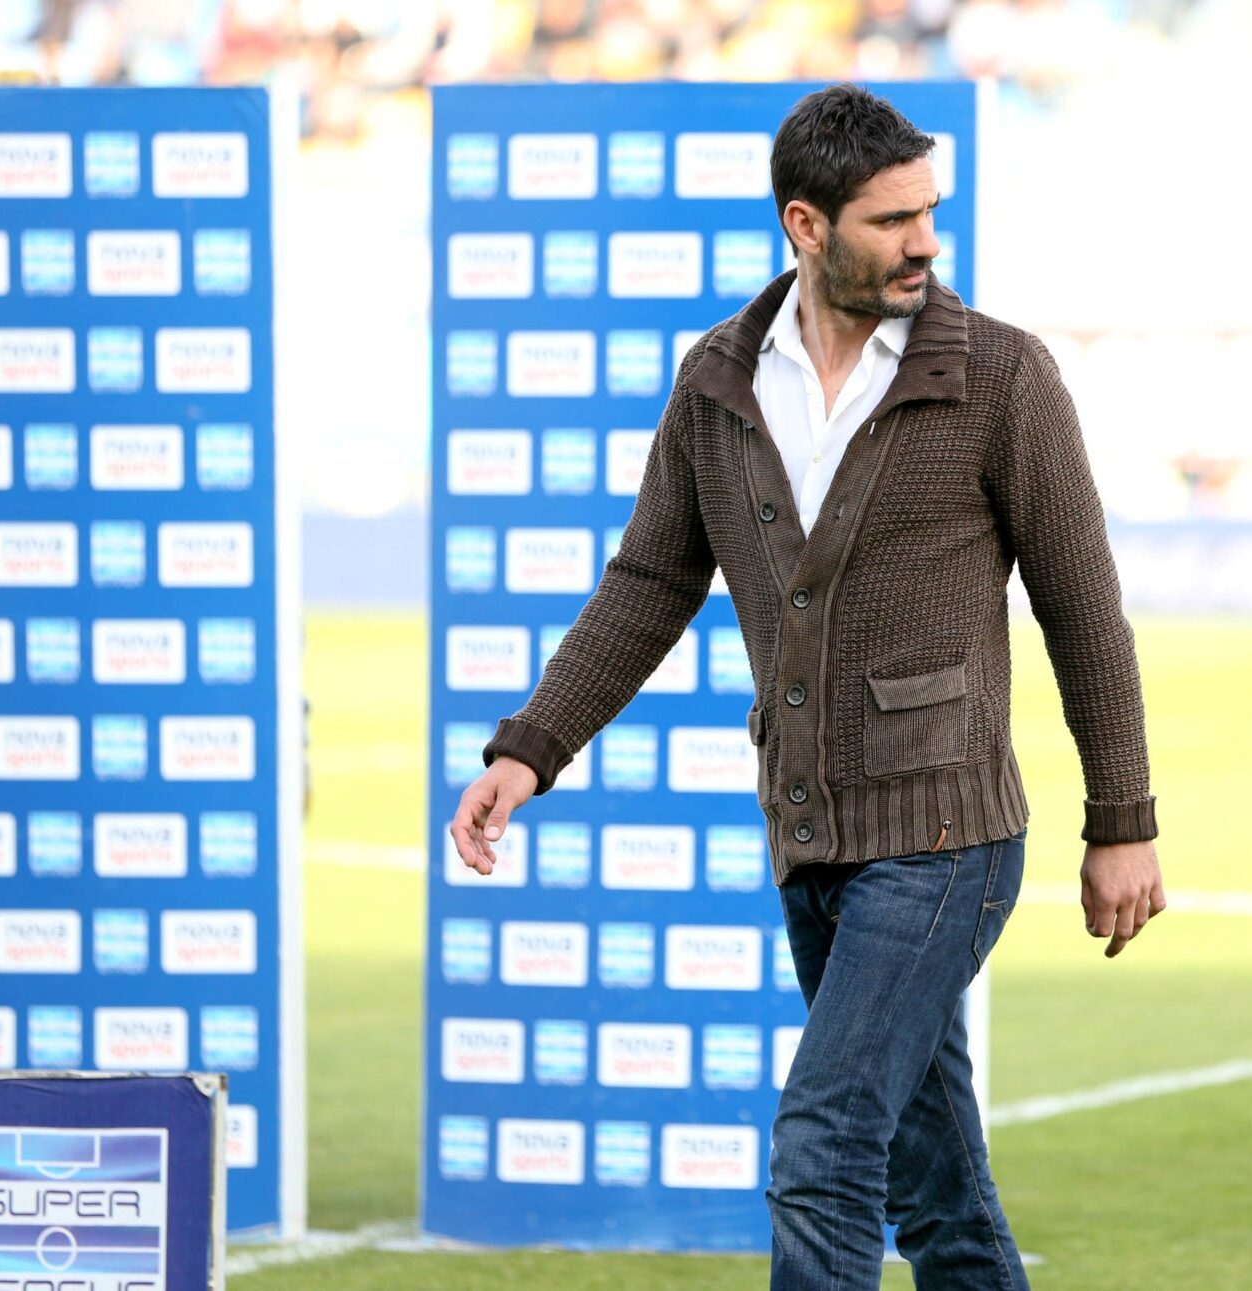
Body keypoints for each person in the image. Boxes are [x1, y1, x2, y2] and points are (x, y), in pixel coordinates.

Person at [448, 82, 1165, 1290]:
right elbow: (648, 584)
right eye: (892, 221)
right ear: (806, 225)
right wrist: (530, 749)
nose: (924, 242)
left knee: (824, 1147)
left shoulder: (1001, 375)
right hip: (811, 834)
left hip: (948, 836)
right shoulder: (718, 379)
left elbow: (1083, 608)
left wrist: (1123, 822)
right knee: (935, 1185)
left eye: (929, 213)